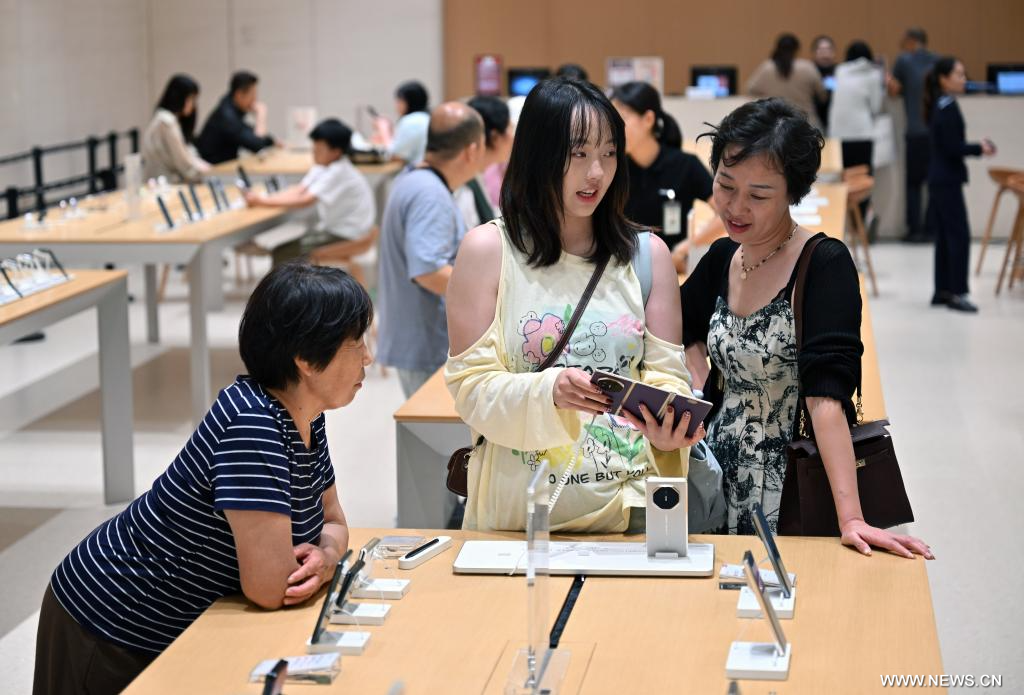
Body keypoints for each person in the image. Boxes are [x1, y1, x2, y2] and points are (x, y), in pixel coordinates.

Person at [33, 262, 372, 695]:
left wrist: (326, 557)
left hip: (166, 621)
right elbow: (272, 587)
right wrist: (327, 565)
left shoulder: (307, 416)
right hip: (110, 618)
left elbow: (335, 521)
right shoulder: (252, 424)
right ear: (305, 359)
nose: (368, 357)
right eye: (355, 343)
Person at [445, 77, 703, 533]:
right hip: (520, 516)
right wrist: (550, 391)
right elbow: (471, 388)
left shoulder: (647, 256)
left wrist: (670, 426)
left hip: (632, 512)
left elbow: (666, 375)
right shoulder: (488, 250)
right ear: (538, 155)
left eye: (609, 153)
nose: (596, 173)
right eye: (578, 154)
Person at [681, 98, 932, 559]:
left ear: (792, 194)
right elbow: (679, 324)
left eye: (758, 196)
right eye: (725, 185)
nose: (735, 207)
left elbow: (826, 400)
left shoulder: (824, 264)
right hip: (713, 478)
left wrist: (851, 518)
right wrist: (699, 379)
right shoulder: (722, 257)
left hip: (789, 485)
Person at [376, 102, 485, 397]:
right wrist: (491, 296)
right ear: (472, 150)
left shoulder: (413, 179)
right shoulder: (430, 194)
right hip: (426, 344)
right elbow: (428, 271)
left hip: (416, 337)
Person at [611, 81, 723, 273]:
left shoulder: (685, 165)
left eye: (621, 119)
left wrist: (686, 247)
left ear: (648, 119)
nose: (613, 129)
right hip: (626, 270)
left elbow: (725, 212)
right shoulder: (615, 168)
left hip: (674, 270)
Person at [244, 118, 376, 267]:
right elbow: (299, 190)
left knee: (283, 253)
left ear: (336, 151)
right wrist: (263, 198)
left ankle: (284, 283)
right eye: (314, 146)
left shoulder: (338, 170)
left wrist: (261, 201)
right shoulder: (323, 166)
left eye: (319, 149)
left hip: (348, 234)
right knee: (285, 250)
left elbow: (305, 200)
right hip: (340, 229)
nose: (314, 152)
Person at [924, 57, 996, 313]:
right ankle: (957, 293)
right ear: (944, 79)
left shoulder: (941, 104)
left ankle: (942, 290)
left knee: (945, 237)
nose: (964, 80)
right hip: (947, 180)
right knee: (958, 236)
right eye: (959, 75)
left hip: (940, 179)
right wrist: (980, 148)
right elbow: (952, 147)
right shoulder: (947, 107)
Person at [890, 28, 937, 242]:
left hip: (915, 131)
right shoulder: (937, 61)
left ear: (911, 41)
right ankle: (931, 229)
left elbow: (894, 90)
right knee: (933, 183)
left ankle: (914, 230)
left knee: (914, 184)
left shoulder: (904, 61)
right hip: (935, 132)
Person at [829, 41, 884, 213]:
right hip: (862, 133)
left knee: (843, 180)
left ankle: (845, 221)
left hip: (838, 134)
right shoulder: (874, 74)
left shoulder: (839, 70)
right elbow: (876, 107)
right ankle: (862, 219)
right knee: (862, 180)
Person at [747, 34, 828, 131]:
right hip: (808, 125)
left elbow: (750, 90)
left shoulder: (767, 68)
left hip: (777, 128)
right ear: (797, 49)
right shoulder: (808, 67)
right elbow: (823, 96)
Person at [456, 95, 514, 228]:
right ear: (495, 137)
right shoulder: (464, 187)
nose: (513, 137)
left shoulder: (476, 174)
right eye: (510, 128)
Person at [141, 74, 210, 183]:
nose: (193, 105)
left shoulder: (167, 119)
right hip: (164, 185)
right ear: (180, 97)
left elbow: (188, 156)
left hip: (168, 183)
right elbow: (184, 164)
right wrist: (210, 174)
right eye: (191, 99)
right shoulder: (166, 122)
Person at [196, 71, 276, 164]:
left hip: (223, 166)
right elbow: (257, 145)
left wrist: (272, 141)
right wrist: (261, 115)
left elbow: (248, 131)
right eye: (252, 95)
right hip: (213, 169)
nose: (254, 100)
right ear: (239, 94)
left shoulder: (230, 108)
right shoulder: (226, 116)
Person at [374, 80, 431, 165]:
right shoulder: (426, 117)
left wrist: (384, 129)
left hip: (417, 169)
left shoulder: (411, 121)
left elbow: (395, 156)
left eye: (399, 101)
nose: (396, 105)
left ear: (408, 101)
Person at [811, 35, 837, 128]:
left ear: (833, 52)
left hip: (835, 119)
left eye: (828, 49)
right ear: (814, 52)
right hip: (814, 121)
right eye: (821, 50)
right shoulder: (809, 71)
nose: (825, 54)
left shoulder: (839, 71)